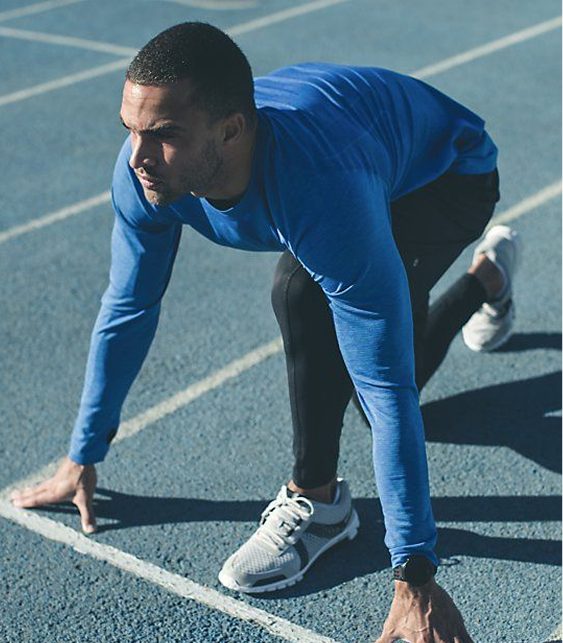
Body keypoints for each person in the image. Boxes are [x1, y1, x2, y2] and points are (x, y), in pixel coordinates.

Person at [10, 22, 522, 643]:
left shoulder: (320, 187)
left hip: (445, 176)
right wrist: (82, 453)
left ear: (231, 130)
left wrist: (415, 574)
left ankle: (319, 502)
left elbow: (385, 384)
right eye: (131, 129)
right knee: (329, 314)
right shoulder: (143, 172)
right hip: (359, 149)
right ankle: (488, 279)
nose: (138, 156)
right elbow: (128, 306)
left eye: (165, 134)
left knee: (317, 310)